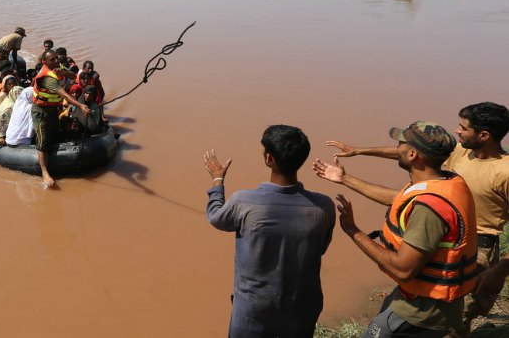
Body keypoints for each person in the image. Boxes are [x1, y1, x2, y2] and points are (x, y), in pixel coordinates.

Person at [322, 102, 509, 336]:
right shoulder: (457, 159)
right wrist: (359, 152)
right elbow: (412, 160)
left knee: (456, 322)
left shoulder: (503, 172)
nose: (458, 131)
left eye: (464, 128)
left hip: (473, 249)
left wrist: (502, 267)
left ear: (484, 135)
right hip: (438, 245)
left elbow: (402, 269)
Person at [204, 125, 335, 338]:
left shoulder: (244, 202)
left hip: (253, 309)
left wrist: (217, 182)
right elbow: (320, 249)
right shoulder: (323, 207)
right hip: (302, 306)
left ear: (269, 158)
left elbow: (215, 217)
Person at [32, 49, 90, 187]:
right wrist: (80, 106)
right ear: (44, 62)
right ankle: (45, 173)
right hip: (41, 111)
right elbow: (64, 94)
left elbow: (74, 75)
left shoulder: (57, 68)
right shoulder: (47, 78)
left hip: (53, 109)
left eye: (56, 58)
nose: (56, 61)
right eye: (52, 60)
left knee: (54, 133)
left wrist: (64, 72)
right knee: (43, 141)